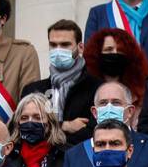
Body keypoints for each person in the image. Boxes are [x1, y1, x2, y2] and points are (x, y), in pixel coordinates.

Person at [20, 20, 97, 148]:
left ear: (80, 47)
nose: (58, 50)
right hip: (39, 160)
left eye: (65, 44)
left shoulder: (96, 88)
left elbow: (92, 132)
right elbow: (26, 129)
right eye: (53, 45)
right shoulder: (33, 90)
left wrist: (48, 131)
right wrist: (64, 126)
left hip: (78, 158)